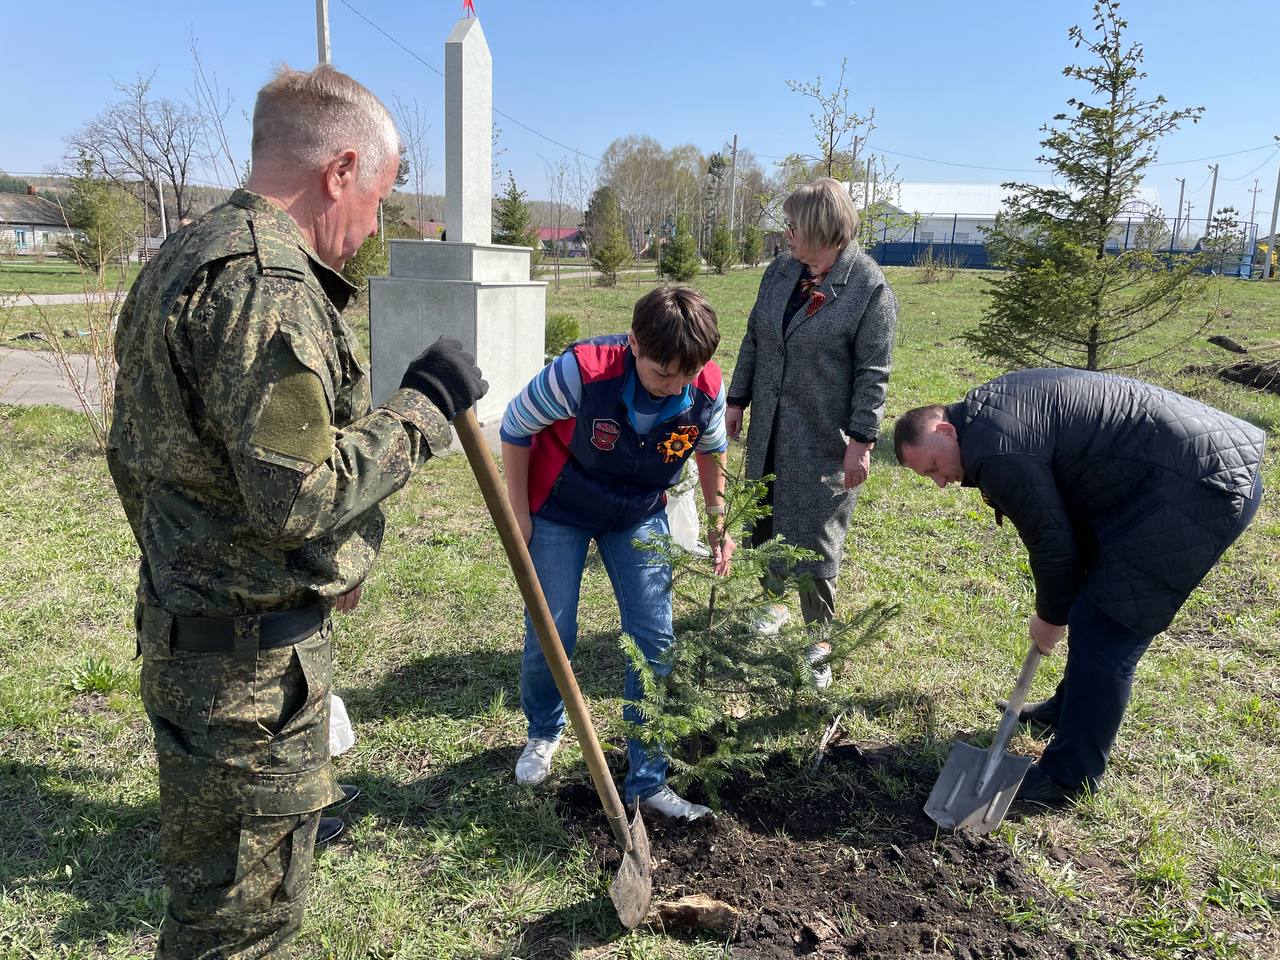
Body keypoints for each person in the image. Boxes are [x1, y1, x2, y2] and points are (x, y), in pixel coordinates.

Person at [107, 65, 487, 957]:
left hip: (196, 641)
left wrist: (322, 572)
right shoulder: (266, 287)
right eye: (382, 199)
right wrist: (421, 409)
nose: (374, 229)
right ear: (340, 169)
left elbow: (162, 464)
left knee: (213, 918)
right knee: (246, 932)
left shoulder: (185, 256)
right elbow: (300, 493)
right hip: (244, 681)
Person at [894, 369, 1265, 805]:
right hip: (1177, 473)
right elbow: (1068, 512)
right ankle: (1067, 708)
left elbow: (1053, 545)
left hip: (1201, 487)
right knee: (1096, 603)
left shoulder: (995, 449)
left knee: (1106, 627)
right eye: (929, 478)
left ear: (945, 429)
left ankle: (1069, 777)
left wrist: (1051, 617)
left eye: (935, 467)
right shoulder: (989, 415)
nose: (941, 483)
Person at [500, 286, 734, 820]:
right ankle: (543, 732)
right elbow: (514, 427)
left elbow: (711, 449)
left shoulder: (707, 387)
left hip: (637, 513)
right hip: (561, 506)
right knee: (552, 630)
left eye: (685, 375)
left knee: (654, 635)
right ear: (633, 343)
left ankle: (647, 779)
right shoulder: (580, 373)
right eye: (660, 374)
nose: (672, 386)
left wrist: (721, 523)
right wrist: (520, 512)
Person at [726, 178, 898, 687]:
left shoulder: (868, 288)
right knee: (766, 514)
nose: (787, 234)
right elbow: (756, 335)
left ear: (823, 230)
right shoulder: (781, 272)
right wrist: (737, 400)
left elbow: (873, 372)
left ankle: (818, 639)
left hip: (823, 434)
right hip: (771, 427)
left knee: (816, 534)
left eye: (795, 226)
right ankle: (774, 603)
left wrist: (862, 443)